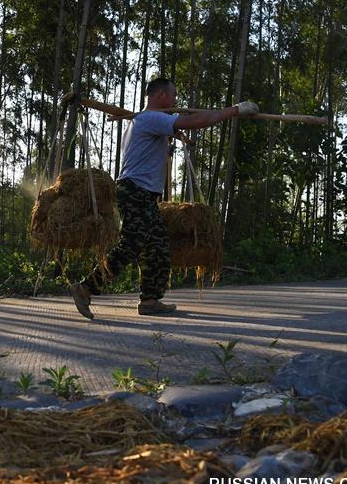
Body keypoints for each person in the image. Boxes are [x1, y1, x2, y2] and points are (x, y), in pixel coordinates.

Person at [69, 77, 258, 318]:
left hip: (143, 194)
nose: (176, 99)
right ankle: (85, 288)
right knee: (132, 243)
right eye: (174, 94)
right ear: (160, 96)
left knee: (158, 246)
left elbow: (174, 131)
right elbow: (195, 121)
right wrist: (234, 110)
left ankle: (149, 300)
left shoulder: (145, 121)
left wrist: (173, 137)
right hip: (134, 190)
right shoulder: (151, 118)